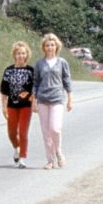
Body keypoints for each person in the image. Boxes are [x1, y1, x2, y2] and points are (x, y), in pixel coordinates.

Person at [32, 33, 73, 170]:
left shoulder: (62, 62)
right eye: (47, 45)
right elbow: (35, 83)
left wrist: (70, 99)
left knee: (55, 128)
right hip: (42, 99)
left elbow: (67, 81)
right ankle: (50, 160)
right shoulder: (39, 64)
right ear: (44, 47)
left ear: (56, 46)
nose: (50, 47)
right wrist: (34, 101)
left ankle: (58, 152)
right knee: (46, 131)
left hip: (57, 99)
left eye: (52, 45)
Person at [0, 41, 34, 168]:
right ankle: (17, 148)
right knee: (12, 133)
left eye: (23, 53)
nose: (21, 56)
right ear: (14, 55)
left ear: (27, 55)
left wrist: (34, 103)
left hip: (26, 106)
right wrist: (3, 107)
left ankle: (23, 158)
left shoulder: (31, 71)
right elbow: (3, 91)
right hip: (11, 105)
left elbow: (34, 89)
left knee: (23, 132)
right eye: (18, 53)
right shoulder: (8, 71)